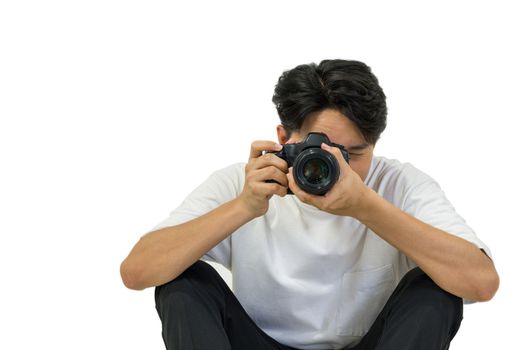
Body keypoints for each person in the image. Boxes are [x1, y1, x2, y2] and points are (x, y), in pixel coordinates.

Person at [120, 59, 499, 350]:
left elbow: (480, 283)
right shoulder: (246, 182)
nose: (338, 165)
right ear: (285, 138)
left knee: (435, 285)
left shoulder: (397, 183)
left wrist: (365, 205)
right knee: (183, 280)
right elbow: (137, 272)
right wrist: (244, 207)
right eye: (323, 150)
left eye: (354, 153)